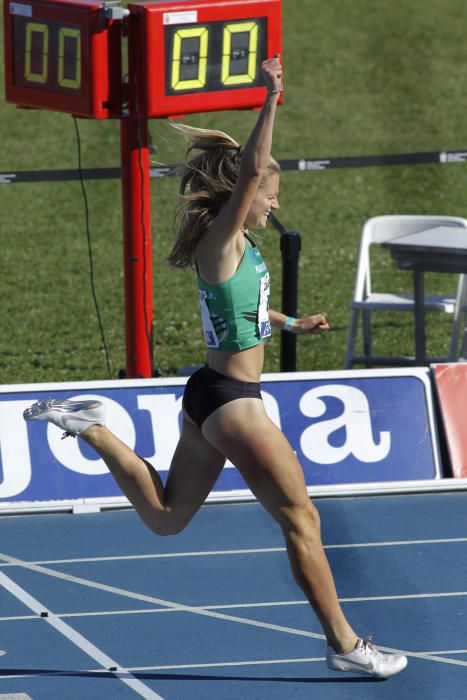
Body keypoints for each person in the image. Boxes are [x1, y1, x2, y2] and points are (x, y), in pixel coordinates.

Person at [23, 55, 407, 678]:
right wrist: (270, 99)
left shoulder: (241, 249)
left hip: (209, 394)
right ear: (242, 195)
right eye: (268, 196)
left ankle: (88, 427)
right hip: (234, 403)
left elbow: (243, 306)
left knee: (167, 519)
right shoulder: (223, 237)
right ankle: (346, 646)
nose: (271, 204)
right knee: (302, 519)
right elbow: (254, 167)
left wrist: (289, 324)